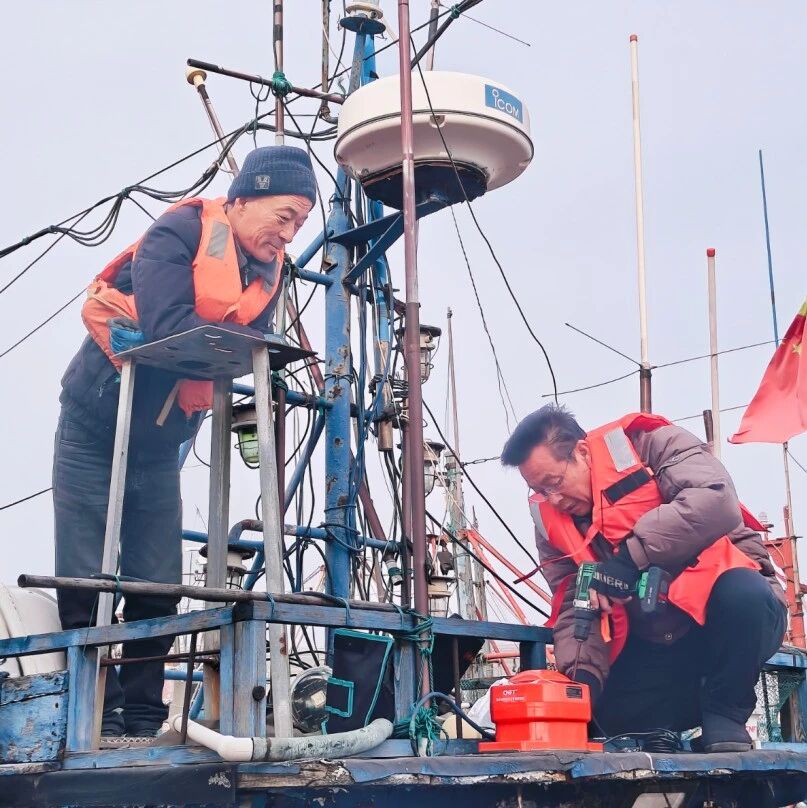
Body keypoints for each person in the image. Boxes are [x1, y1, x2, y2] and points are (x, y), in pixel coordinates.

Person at [53, 145, 317, 738]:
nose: (288, 234)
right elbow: (168, 323)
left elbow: (251, 342)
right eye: (284, 216)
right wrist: (246, 348)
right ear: (242, 201)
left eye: (300, 224)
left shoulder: (269, 273)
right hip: (93, 428)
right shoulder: (177, 233)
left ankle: (144, 718)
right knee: (84, 576)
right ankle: (90, 715)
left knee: (155, 580)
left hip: (157, 443)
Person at [501, 404, 786, 752]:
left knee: (745, 595)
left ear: (583, 452)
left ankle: (725, 715)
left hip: (724, 629)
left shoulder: (656, 445)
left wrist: (629, 560)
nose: (554, 499)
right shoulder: (550, 522)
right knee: (599, 721)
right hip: (654, 648)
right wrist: (580, 683)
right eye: (540, 490)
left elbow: (716, 500)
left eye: (555, 483)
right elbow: (573, 605)